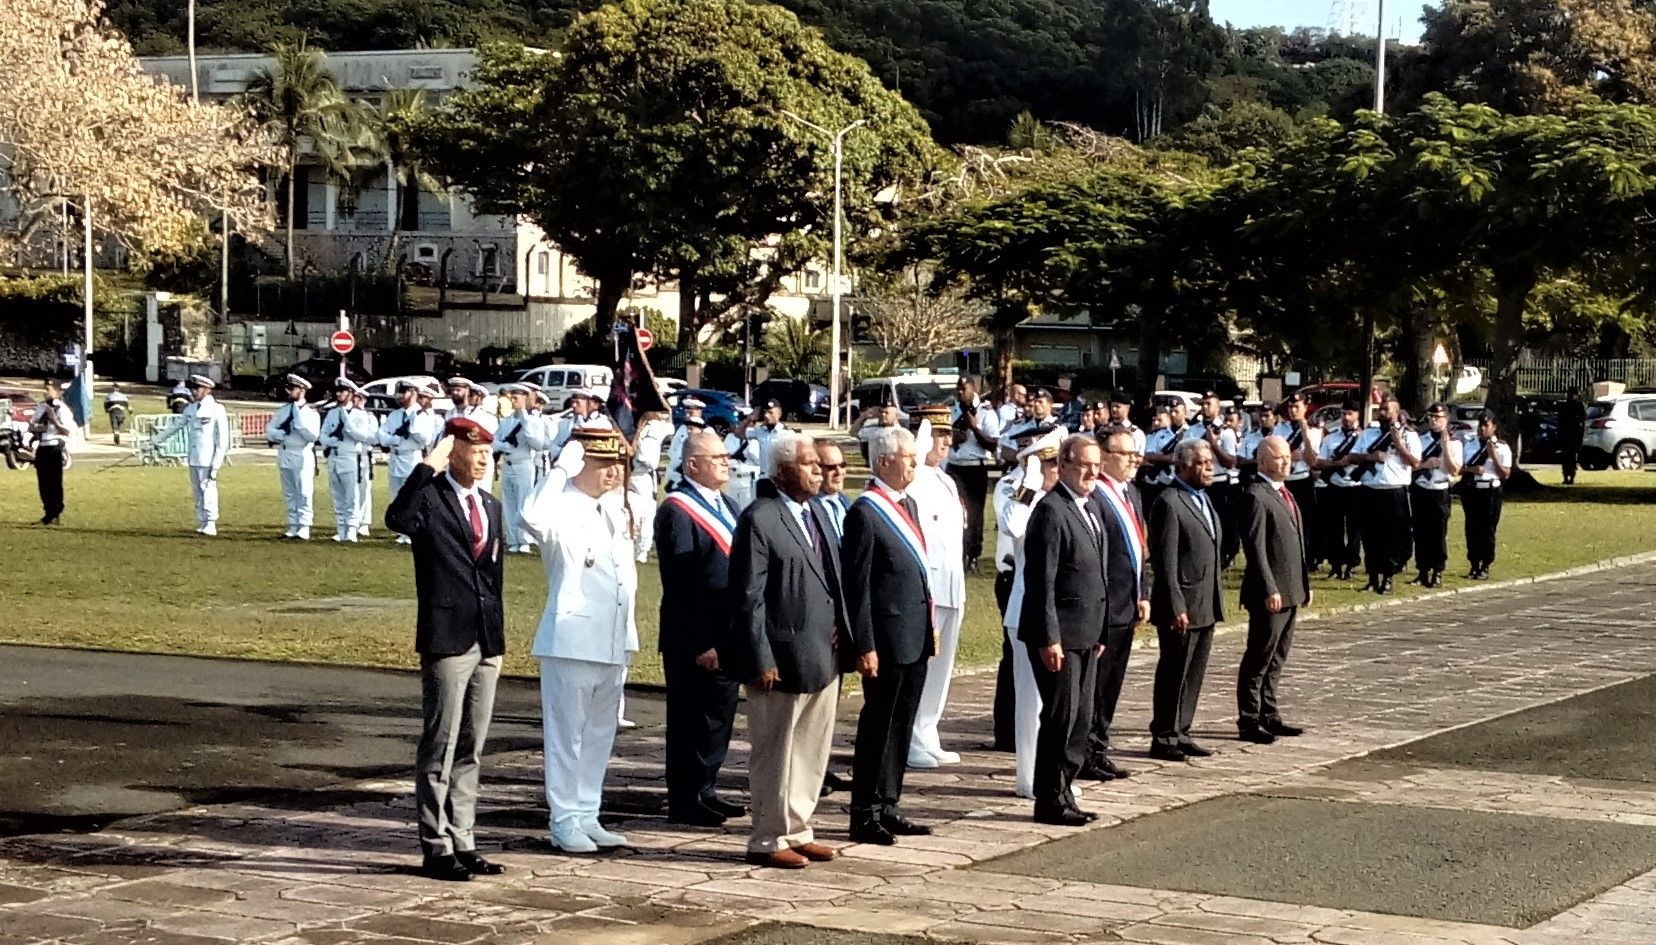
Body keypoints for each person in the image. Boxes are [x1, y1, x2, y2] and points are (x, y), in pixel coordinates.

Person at [384, 419, 507, 883]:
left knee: (472, 747)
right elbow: (397, 519)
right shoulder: (430, 500)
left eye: (486, 453)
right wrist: (424, 469)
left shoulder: (490, 505)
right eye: (472, 451)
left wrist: (496, 637)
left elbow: (493, 578)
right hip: (447, 635)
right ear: (451, 452)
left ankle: (465, 838)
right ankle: (436, 846)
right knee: (441, 743)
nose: (481, 459)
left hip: (484, 638)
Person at [520, 428, 654, 854]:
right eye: (602, 464)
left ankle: (586, 813)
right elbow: (531, 517)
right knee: (567, 737)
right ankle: (563, 820)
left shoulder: (612, 509)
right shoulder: (560, 507)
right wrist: (561, 466)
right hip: (573, 638)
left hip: (612, 638)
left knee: (600, 733)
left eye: (618, 464)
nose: (614, 472)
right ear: (581, 463)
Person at [722, 432, 850, 870]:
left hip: (822, 655)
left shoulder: (814, 512)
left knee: (811, 751)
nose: (820, 471)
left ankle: (798, 827)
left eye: (820, 463)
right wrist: (759, 657)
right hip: (780, 658)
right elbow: (747, 596)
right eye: (810, 464)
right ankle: (767, 837)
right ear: (781, 471)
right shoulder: (761, 517)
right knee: (775, 753)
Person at [843, 425, 934, 845]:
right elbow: (857, 587)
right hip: (885, 636)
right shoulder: (866, 510)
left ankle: (889, 802)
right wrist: (864, 644)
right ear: (884, 461)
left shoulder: (908, 503)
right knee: (879, 724)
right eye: (909, 458)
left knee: (902, 723)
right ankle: (864, 810)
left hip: (913, 632)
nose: (915, 464)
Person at [654, 430, 747, 827]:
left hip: (727, 632)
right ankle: (685, 796)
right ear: (692, 465)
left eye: (726, 456)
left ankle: (706, 787)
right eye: (716, 457)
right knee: (690, 718)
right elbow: (681, 582)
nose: (725, 462)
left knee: (718, 717)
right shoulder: (678, 509)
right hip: (695, 636)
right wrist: (700, 640)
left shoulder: (726, 503)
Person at [1019, 434, 1109, 826]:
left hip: (1087, 633)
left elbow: (1097, 574)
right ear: (1065, 465)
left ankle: (1065, 790)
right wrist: (1049, 637)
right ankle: (1050, 799)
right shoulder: (1051, 511)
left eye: (1096, 465)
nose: (1091, 472)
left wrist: (1101, 630)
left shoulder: (1091, 507)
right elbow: (1042, 581)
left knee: (1081, 718)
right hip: (1060, 635)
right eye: (1083, 465)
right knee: (1061, 718)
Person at [1148, 438, 1223, 762]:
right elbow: (1165, 561)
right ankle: (1164, 735)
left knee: (1194, 673)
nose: (1210, 468)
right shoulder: (1169, 501)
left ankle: (1182, 730)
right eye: (1202, 463)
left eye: (1211, 462)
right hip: (1182, 605)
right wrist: (1176, 604)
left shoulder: (1204, 499)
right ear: (1182, 465)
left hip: (1205, 602)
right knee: (1174, 671)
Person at [1083, 426, 1150, 782]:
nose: (1132, 460)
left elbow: (1140, 549)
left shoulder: (1131, 494)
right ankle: (1086, 751)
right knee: (1095, 684)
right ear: (1106, 456)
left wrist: (1143, 593)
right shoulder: (1096, 496)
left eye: (1134, 454)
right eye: (1125, 454)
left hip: (1128, 602)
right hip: (1104, 607)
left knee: (1112, 685)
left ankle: (1100, 745)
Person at [999, 428, 1063, 795]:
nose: (1056, 469)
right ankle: (1029, 777)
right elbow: (1012, 526)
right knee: (1031, 702)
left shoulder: (1063, 500)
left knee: (1057, 702)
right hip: (1026, 610)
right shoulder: (1018, 495)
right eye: (1050, 462)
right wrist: (1031, 482)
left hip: (1061, 612)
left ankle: (1053, 773)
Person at [1236, 436, 1311, 745]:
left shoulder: (1285, 494)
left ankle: (1270, 713)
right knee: (1259, 656)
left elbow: (1295, 546)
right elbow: (1255, 548)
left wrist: (1303, 586)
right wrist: (1269, 587)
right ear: (1262, 461)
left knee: (1278, 657)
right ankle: (1249, 718)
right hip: (1271, 592)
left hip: (1291, 589)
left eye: (1288, 457)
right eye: (1278, 457)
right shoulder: (1256, 495)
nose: (1285, 462)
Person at [907, 405, 967, 769]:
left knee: (942, 667)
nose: (946, 443)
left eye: (949, 437)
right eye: (939, 435)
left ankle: (928, 730)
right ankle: (912, 735)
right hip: (929, 587)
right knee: (922, 664)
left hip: (952, 585)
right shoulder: (913, 479)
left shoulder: (946, 480)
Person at [989, 420, 1049, 753]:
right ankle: (1008, 732)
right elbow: (1013, 524)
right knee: (1014, 661)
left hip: (1045, 590)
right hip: (1014, 580)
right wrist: (1030, 482)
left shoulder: (1054, 494)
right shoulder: (1010, 486)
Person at [1355, 396, 1420, 595]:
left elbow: (1415, 462)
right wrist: (1369, 456)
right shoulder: (1369, 433)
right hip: (1370, 489)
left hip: (1394, 490)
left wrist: (1398, 444)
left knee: (1392, 537)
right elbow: (1352, 456)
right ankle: (1373, 577)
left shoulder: (1408, 435)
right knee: (1370, 535)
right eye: (1380, 409)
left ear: (1397, 412)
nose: (1382, 413)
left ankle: (1388, 578)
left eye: (1387, 409)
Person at [380, 382, 442, 546]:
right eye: (400, 393)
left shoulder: (422, 415)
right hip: (395, 457)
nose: (401, 396)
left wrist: (412, 428)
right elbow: (381, 435)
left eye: (405, 392)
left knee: (412, 497)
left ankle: (411, 531)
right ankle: (401, 532)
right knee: (396, 496)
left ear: (414, 393)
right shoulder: (395, 415)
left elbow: (425, 439)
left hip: (412, 457)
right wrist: (395, 438)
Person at [948, 376, 1001, 572]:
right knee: (955, 512)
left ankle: (972, 555)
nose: (960, 392)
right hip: (954, 466)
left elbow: (993, 444)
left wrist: (975, 429)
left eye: (964, 388)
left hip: (974, 467)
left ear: (974, 388)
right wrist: (952, 437)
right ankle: (958, 553)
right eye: (958, 389)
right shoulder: (952, 410)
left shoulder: (986, 412)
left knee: (974, 514)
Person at [493, 384, 551, 554]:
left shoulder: (532, 421)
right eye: (512, 397)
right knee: (509, 503)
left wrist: (525, 419)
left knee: (523, 503)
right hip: (508, 464)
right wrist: (503, 446)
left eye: (517, 398)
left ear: (525, 399)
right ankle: (512, 540)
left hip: (524, 464)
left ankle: (524, 540)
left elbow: (537, 443)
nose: (513, 401)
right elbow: (494, 440)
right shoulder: (507, 421)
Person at [1409, 404, 1462, 588]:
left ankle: (1438, 570)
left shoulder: (1455, 442)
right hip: (1421, 488)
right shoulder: (1420, 440)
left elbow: (1455, 470)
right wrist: (1425, 464)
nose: (1434, 420)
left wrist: (1445, 447)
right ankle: (1422, 570)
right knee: (1420, 532)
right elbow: (1411, 463)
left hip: (1440, 489)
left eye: (1438, 417)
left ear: (1446, 419)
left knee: (1438, 533)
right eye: (1431, 417)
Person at [319, 380, 377, 542]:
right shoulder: (332, 413)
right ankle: (341, 528)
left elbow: (364, 436)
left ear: (351, 394)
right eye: (337, 391)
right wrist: (332, 442)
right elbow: (322, 435)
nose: (338, 394)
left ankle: (352, 529)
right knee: (338, 495)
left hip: (351, 455)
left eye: (342, 391)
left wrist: (348, 425)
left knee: (352, 495)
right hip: (334, 456)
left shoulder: (360, 415)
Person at [265, 374, 321, 540]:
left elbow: (312, 435)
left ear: (302, 391)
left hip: (301, 454)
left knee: (303, 492)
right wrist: (280, 434)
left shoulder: (310, 413)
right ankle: (293, 524)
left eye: (292, 389)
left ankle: (304, 526)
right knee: (289, 492)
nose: (288, 391)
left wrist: (299, 425)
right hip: (285, 452)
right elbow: (269, 429)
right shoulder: (284, 411)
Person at [1315, 401, 1366, 580]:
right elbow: (1319, 462)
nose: (1346, 418)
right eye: (1343, 414)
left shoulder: (1364, 437)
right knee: (1334, 529)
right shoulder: (1331, 438)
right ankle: (1336, 565)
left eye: (1350, 413)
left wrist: (1354, 459)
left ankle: (1351, 565)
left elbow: (1368, 459)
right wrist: (1337, 463)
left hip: (1356, 487)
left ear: (1357, 415)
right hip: (1335, 486)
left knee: (1354, 530)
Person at [1460, 410, 1512, 580]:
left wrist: (1494, 456)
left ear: (1494, 427)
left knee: (1488, 529)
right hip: (1473, 489)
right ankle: (1474, 563)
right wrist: (1471, 469)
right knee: (1472, 528)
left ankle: (1485, 564)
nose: (1482, 429)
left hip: (1491, 490)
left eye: (1486, 425)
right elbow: (1459, 468)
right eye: (1481, 425)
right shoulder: (1470, 445)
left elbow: (1505, 474)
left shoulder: (1502, 447)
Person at [1275, 394, 1322, 567]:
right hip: (1285, 480)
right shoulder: (1280, 429)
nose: (1293, 411)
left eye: (1297, 407)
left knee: (1305, 522)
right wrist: (1291, 455)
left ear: (1305, 407)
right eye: (1290, 407)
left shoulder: (1314, 430)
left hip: (1302, 480)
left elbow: (1312, 461)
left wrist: (1304, 434)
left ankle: (1305, 558)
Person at [182, 375, 231, 537]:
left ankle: (211, 522)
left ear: (207, 389)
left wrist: (216, 464)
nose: (194, 392)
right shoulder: (191, 409)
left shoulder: (217, 409)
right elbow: (176, 426)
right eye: (193, 388)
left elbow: (222, 439)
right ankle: (202, 521)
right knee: (197, 491)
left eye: (197, 388)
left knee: (208, 490)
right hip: (194, 457)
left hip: (208, 458)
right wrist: (154, 441)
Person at [29, 380, 74, 526]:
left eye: (48, 389)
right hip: (42, 446)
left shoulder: (63, 409)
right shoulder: (41, 407)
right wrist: (37, 429)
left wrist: (54, 421)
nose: (45, 392)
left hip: (55, 447)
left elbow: (67, 431)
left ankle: (55, 513)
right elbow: (33, 425)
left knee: (54, 482)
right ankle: (48, 512)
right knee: (43, 483)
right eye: (44, 389)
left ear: (57, 391)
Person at [1140, 400, 1189, 511]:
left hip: (1172, 483)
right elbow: (1147, 456)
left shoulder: (1186, 433)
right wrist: (1166, 458)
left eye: (1176, 411)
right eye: (1171, 411)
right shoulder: (1155, 434)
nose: (1173, 414)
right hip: (1154, 482)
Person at [737, 399, 788, 480]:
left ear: (779, 414)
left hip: (779, 480)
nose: (767, 416)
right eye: (765, 412)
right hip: (763, 478)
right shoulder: (760, 431)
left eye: (771, 412)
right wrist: (749, 419)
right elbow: (739, 433)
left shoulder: (787, 433)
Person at [664, 396, 708, 488]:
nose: (688, 412)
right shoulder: (681, 428)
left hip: (692, 476)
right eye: (686, 408)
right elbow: (672, 451)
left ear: (700, 411)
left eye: (691, 410)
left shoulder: (706, 431)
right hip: (675, 474)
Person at [351, 388, 377, 540]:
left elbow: (372, 437)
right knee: (350, 490)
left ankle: (364, 523)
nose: (356, 401)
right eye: (355, 397)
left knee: (364, 489)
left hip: (364, 455)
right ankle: (352, 521)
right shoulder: (348, 414)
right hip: (350, 454)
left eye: (359, 398)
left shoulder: (369, 417)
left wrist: (356, 434)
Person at [852, 397, 901, 465]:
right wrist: (864, 416)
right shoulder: (874, 431)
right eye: (882, 412)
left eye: (886, 413)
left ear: (897, 416)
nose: (883, 415)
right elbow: (853, 432)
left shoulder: (903, 433)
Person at [1558, 387, 1587, 484]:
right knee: (1568, 457)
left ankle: (1569, 477)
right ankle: (1567, 477)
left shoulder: (1575, 406)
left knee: (1569, 457)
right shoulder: (1572, 406)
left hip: (1572, 435)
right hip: (1569, 435)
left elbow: (1582, 420)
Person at [1105, 390, 1145, 455]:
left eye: (1118, 407)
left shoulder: (1136, 433)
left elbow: (1138, 457)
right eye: (1112, 406)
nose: (1114, 409)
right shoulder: (1104, 430)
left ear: (1128, 408)